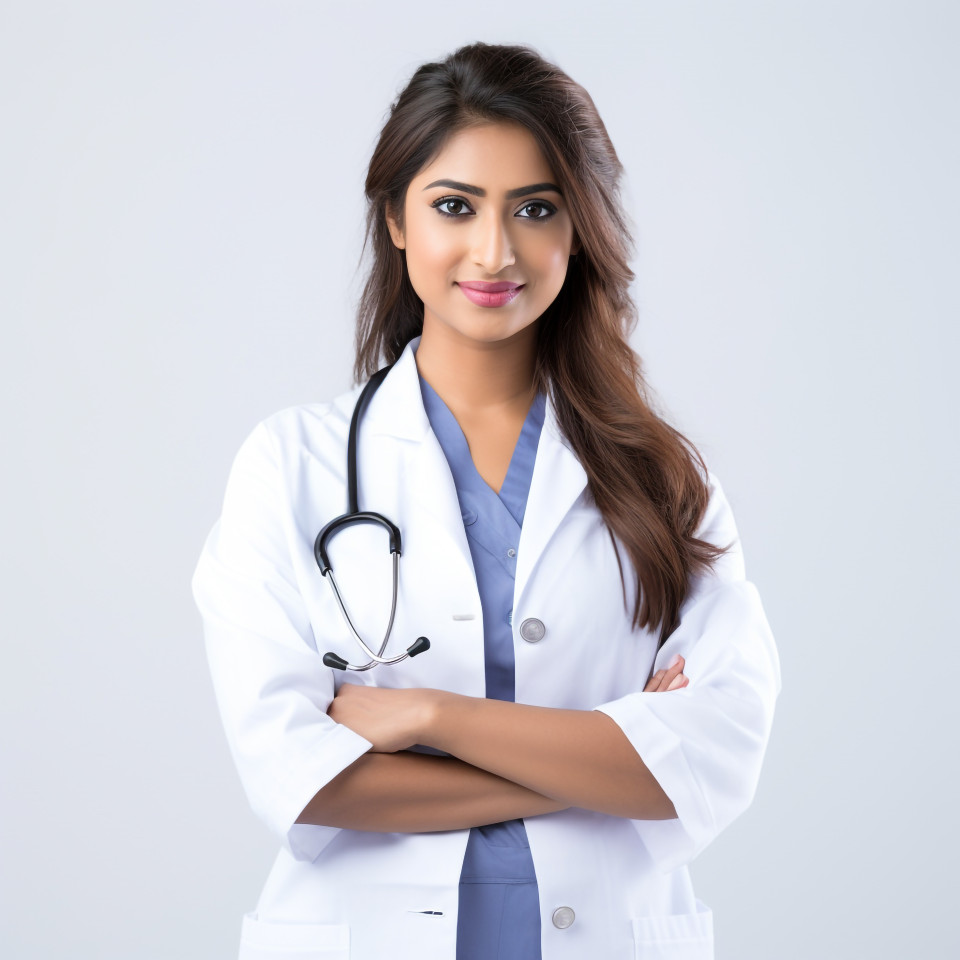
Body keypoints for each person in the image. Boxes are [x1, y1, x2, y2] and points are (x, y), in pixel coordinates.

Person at [192, 41, 780, 960]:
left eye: (536, 209)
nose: (494, 251)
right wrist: (604, 762)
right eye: (454, 206)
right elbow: (302, 780)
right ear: (395, 219)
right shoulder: (289, 467)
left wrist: (432, 720)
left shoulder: (663, 477)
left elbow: (719, 751)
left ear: (578, 228)